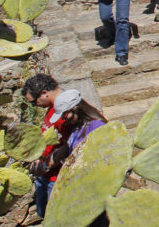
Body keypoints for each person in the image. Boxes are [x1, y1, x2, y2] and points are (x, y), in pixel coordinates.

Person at [53, 89, 109, 227]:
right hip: (83, 188)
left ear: (75, 109)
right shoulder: (78, 127)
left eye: (64, 115)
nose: (63, 119)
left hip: (95, 188)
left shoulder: (96, 127)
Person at [22, 74, 73, 219]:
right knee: (43, 214)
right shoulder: (53, 107)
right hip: (45, 173)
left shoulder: (66, 111)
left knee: (56, 218)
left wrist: (46, 165)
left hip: (57, 178)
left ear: (44, 93)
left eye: (34, 102)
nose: (35, 106)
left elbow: (70, 145)